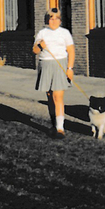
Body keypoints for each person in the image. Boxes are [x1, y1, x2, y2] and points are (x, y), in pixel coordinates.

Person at [33, 8, 75, 139]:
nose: (54, 21)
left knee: (58, 96)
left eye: (57, 18)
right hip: (45, 65)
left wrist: (70, 68)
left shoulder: (65, 33)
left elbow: (71, 51)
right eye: (51, 18)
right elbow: (34, 51)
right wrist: (40, 46)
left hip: (60, 65)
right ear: (47, 20)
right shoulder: (42, 33)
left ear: (60, 20)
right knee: (50, 96)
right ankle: (54, 124)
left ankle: (60, 128)